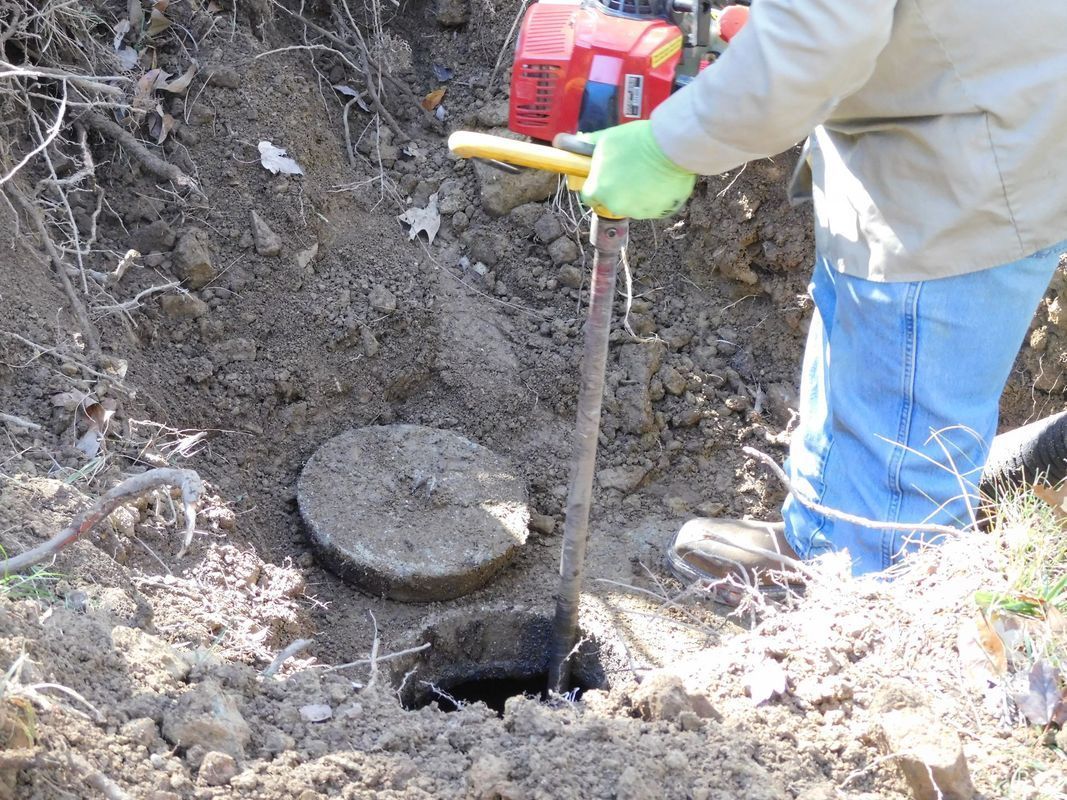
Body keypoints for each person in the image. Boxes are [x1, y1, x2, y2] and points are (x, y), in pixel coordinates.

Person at [578, 0, 1067, 591]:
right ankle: (823, 541)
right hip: (972, 112)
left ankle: (869, 603)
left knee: (902, 426)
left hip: (961, 170)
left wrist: (673, 143)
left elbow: (815, 39)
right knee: (864, 357)